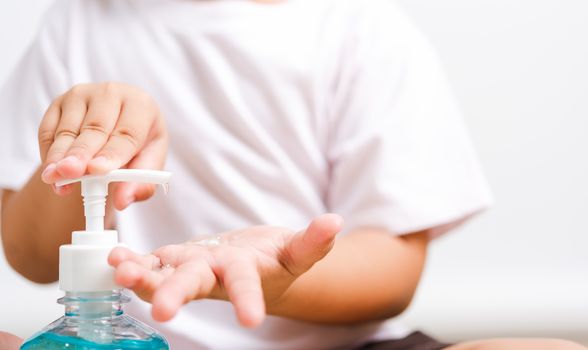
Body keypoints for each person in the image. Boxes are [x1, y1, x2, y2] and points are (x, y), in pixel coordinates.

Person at [0, 0, 585, 349]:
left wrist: (277, 277)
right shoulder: (77, 26)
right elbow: (30, 256)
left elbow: (393, 269)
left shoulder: (360, 32)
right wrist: (78, 162)